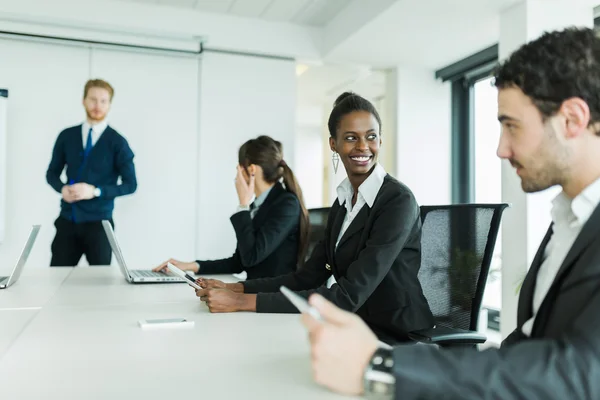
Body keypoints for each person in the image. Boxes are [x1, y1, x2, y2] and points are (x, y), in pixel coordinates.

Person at [301, 27, 600, 399]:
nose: (501, 150)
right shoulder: (569, 219)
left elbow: (580, 373)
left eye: (511, 126)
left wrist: (383, 367)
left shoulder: (396, 200)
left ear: (572, 120)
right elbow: (529, 345)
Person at [194, 92, 434, 344]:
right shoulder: (343, 202)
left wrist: (241, 302)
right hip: (353, 325)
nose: (363, 146)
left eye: (371, 137)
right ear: (334, 144)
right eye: (351, 138)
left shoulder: (398, 201)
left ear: (380, 141)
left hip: (394, 335)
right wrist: (237, 288)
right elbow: (306, 277)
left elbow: (347, 296)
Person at [154, 135, 309, 280]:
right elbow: (239, 262)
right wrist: (190, 266)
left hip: (272, 298)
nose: (236, 177)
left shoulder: (286, 204)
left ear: (251, 169)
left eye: (238, 169)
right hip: (256, 292)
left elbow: (251, 257)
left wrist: (243, 205)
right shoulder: (258, 205)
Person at [46, 79, 137, 266]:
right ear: (84, 100)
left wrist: (95, 191)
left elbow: (131, 184)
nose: (98, 105)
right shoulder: (67, 136)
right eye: (93, 99)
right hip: (67, 221)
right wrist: (62, 188)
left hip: (100, 225)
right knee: (57, 280)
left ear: (110, 104)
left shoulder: (118, 142)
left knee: (101, 285)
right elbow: (51, 174)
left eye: (103, 101)